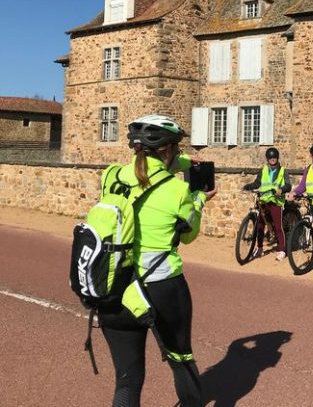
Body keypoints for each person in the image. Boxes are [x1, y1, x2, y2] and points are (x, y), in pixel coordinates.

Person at [98, 114, 217, 407]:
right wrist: (200, 199)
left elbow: (142, 173)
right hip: (160, 287)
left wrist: (183, 162)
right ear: (168, 149)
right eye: (176, 147)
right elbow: (189, 236)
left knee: (127, 379)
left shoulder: (110, 175)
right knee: (181, 360)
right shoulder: (177, 190)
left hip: (114, 285)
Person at [242, 147, 292, 260]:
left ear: (277, 158)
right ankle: (259, 248)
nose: (272, 159)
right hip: (264, 201)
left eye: (274, 157)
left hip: (275, 201)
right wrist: (249, 186)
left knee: (278, 226)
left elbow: (288, 185)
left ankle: (282, 250)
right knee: (260, 225)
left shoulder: (283, 171)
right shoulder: (263, 170)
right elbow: (257, 183)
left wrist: (282, 190)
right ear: (267, 159)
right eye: (270, 158)